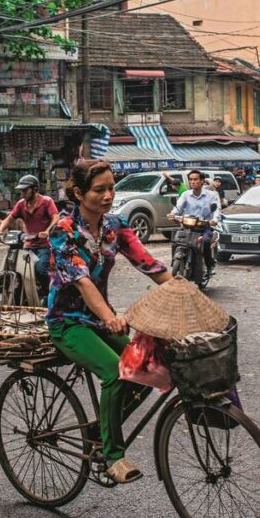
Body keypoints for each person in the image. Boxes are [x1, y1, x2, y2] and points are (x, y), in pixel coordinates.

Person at [47, 159, 172, 484]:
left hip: (99, 321)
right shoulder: (62, 231)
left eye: (111, 188)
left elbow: (148, 262)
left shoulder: (115, 225)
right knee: (115, 373)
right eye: (99, 190)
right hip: (68, 322)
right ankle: (111, 455)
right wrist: (111, 317)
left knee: (150, 371)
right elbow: (83, 281)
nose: (108, 196)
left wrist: (183, 292)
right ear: (78, 193)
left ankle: (103, 427)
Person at [0, 175, 59, 281]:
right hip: (28, 244)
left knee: (40, 269)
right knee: (17, 267)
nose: (23, 193)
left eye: (25, 190)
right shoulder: (21, 204)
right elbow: (9, 219)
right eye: (21, 191)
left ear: (35, 189)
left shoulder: (47, 201)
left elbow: (55, 217)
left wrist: (47, 231)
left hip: (45, 246)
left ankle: (48, 295)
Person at [169, 170, 222, 277]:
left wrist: (214, 220)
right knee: (176, 240)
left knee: (206, 242)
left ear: (202, 181)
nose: (192, 182)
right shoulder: (185, 195)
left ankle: (209, 265)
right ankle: (177, 259)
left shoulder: (211, 195)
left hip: (204, 226)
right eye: (191, 180)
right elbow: (178, 208)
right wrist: (172, 214)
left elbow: (217, 210)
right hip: (188, 225)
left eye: (195, 179)